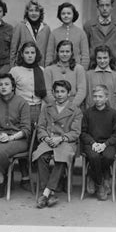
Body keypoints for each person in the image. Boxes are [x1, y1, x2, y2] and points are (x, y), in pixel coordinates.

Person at [32, 80, 82, 208]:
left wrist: (61, 138)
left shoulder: (75, 110)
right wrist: (45, 137)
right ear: (53, 93)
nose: (59, 95)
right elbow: (41, 127)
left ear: (69, 93)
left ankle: (46, 193)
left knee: (61, 158)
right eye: (57, 92)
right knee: (41, 156)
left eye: (63, 92)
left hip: (66, 141)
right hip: (49, 139)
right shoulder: (47, 108)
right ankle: (50, 192)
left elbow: (75, 132)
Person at [0, 73, 31, 198]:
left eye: (6, 84)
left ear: (13, 87)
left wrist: (11, 138)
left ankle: (2, 174)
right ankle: (1, 179)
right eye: (0, 85)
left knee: (0, 152)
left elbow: (26, 129)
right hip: (0, 137)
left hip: (18, 139)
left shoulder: (22, 103)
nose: (3, 87)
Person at [10, 41, 48, 191]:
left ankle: (39, 178)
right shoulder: (15, 71)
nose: (30, 56)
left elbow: (46, 94)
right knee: (24, 141)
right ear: (21, 54)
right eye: (27, 53)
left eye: (32, 53)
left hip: (39, 108)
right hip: (21, 109)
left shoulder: (42, 70)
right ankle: (25, 176)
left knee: (38, 142)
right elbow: (11, 92)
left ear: (36, 54)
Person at [81, 85, 116, 200]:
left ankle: (92, 173)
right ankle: (100, 184)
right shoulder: (88, 113)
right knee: (94, 157)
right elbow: (83, 132)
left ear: (106, 97)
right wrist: (93, 143)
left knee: (108, 156)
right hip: (92, 143)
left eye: (100, 96)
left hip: (107, 143)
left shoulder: (113, 113)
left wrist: (105, 144)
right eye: (95, 96)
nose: (97, 99)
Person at [83, 0, 116, 71]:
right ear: (97, 7)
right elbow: (86, 47)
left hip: (114, 66)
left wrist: (115, 58)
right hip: (93, 66)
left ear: (112, 7)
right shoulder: (89, 25)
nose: (104, 8)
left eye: (107, 5)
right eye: (101, 5)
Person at [10, 0, 55, 67]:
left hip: (40, 66)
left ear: (40, 13)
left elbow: (49, 52)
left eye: (36, 11)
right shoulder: (20, 26)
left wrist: (47, 67)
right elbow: (13, 50)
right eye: (31, 10)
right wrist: (13, 67)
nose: (34, 13)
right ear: (27, 12)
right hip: (22, 66)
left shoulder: (46, 28)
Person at [44, 40, 86, 107]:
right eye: (62, 51)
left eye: (67, 51)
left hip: (73, 107)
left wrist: (71, 106)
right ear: (57, 53)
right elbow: (47, 91)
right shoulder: (49, 69)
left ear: (71, 53)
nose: (64, 54)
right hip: (54, 107)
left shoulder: (79, 69)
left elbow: (81, 91)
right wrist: (56, 106)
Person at [51, 2, 89, 70]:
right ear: (59, 15)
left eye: (69, 13)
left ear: (73, 15)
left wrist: (83, 71)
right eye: (63, 13)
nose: (66, 16)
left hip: (75, 70)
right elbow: (49, 54)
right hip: (57, 70)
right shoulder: (54, 33)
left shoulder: (81, 33)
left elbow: (85, 55)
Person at [85, 45, 116, 113]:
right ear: (95, 58)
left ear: (110, 58)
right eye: (99, 58)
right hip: (92, 115)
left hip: (111, 116)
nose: (102, 61)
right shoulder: (88, 75)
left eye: (105, 58)